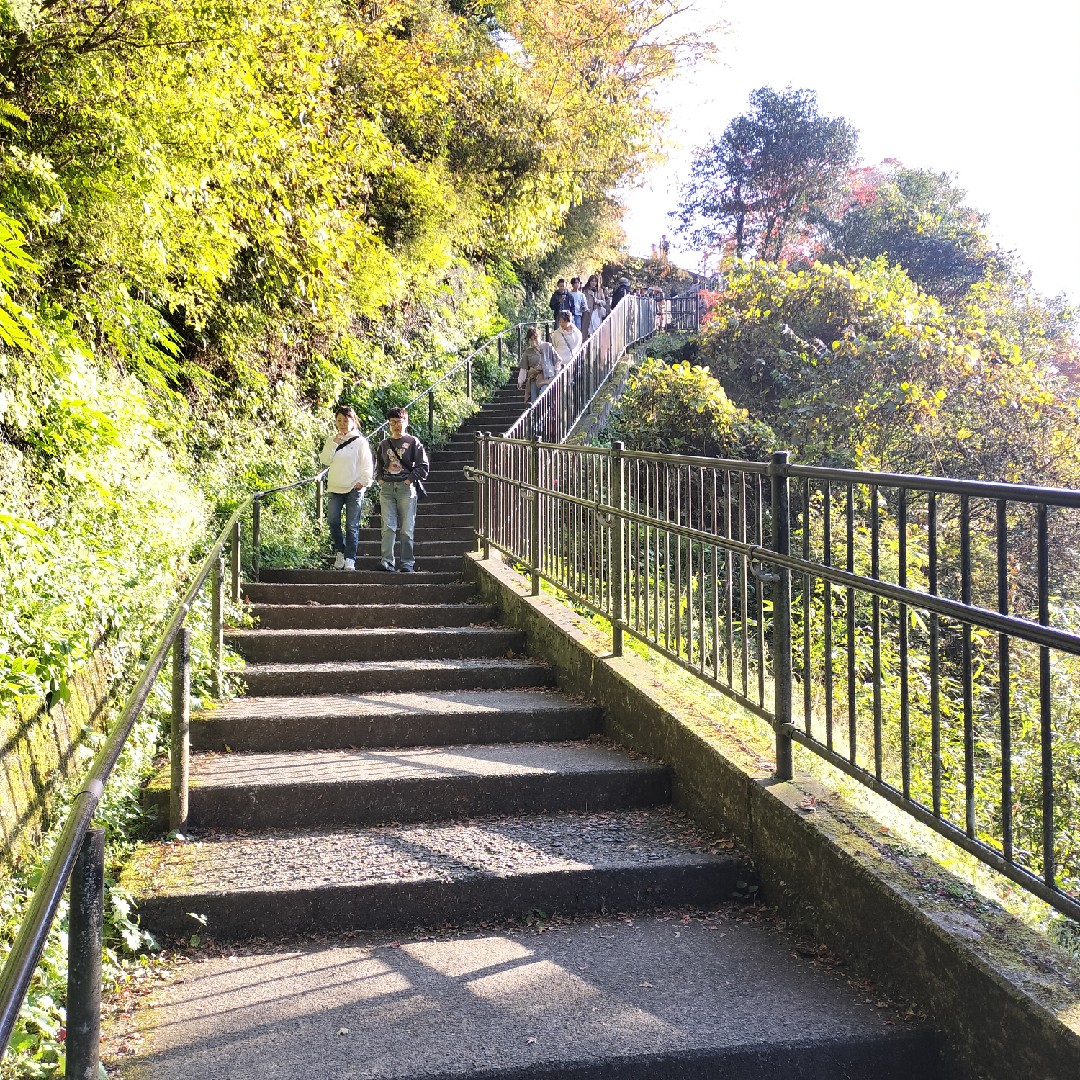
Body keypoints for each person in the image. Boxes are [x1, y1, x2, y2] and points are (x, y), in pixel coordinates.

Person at [375, 407, 429, 573]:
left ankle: (407, 563)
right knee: (388, 527)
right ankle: (387, 561)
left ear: (406, 422)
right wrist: (380, 479)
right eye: (392, 422)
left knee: (406, 529)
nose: (396, 426)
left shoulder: (413, 442)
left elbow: (423, 466)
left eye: (399, 422)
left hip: (406, 488)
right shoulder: (384, 444)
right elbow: (378, 466)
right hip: (387, 488)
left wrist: (409, 480)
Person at [319, 405, 373, 572]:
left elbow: (367, 464)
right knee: (333, 521)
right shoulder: (332, 440)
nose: (342, 424)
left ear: (353, 421)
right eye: (339, 420)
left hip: (353, 489)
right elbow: (325, 460)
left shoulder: (360, 442)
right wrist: (333, 444)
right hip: (335, 487)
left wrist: (363, 482)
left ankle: (350, 558)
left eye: (345, 420)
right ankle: (340, 551)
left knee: (351, 525)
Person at [517, 326, 559, 402]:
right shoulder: (528, 352)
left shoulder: (548, 346)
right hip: (534, 379)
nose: (533, 341)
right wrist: (520, 381)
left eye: (535, 338)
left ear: (539, 336)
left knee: (543, 395)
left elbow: (557, 361)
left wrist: (556, 374)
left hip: (547, 378)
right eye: (531, 339)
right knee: (534, 401)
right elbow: (523, 368)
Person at [582, 274, 606, 338]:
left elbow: (604, 302)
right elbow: (583, 301)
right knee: (586, 329)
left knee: (596, 328)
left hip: (597, 312)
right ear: (589, 282)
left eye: (595, 281)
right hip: (587, 312)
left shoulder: (600, 290)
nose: (594, 283)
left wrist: (598, 301)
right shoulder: (585, 290)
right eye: (592, 281)